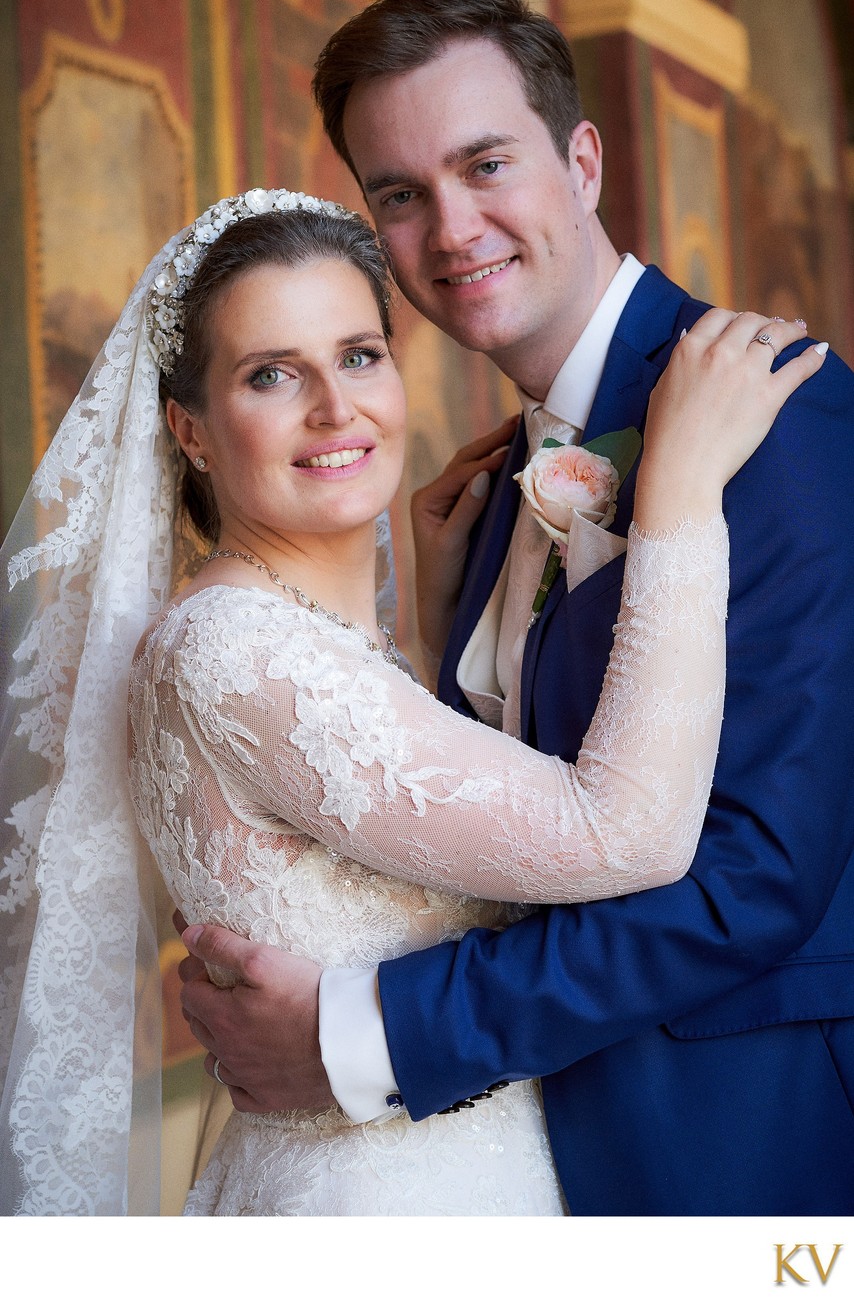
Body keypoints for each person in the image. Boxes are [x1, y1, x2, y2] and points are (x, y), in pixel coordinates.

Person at [0, 184, 816, 1216]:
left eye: (356, 355)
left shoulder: (305, 640)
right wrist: (682, 494)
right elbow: (625, 835)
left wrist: (435, 631)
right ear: (190, 430)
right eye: (269, 375)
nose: (335, 408)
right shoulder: (232, 654)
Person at [176, 0, 854, 1217]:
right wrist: (437, 636)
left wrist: (356, 1036)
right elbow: (492, 831)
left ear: (581, 160)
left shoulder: (772, 410)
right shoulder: (484, 494)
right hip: (528, 1162)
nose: (451, 228)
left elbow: (754, 873)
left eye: (485, 163)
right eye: (398, 193)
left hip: (740, 1152)